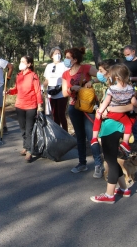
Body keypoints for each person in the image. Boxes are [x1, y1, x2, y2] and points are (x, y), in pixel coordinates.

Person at [90, 59, 134, 204]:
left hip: (111, 127)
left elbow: (130, 107)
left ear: (113, 75)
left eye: (103, 72)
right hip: (115, 125)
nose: (101, 75)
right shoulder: (128, 88)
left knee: (111, 161)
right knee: (112, 159)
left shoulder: (113, 90)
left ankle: (109, 195)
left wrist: (106, 111)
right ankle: (124, 188)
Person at [61, 47, 103, 178]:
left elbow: (104, 76)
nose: (66, 60)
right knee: (79, 136)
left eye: (68, 57)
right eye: (66, 57)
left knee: (92, 136)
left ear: (75, 59)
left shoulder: (86, 68)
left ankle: (98, 165)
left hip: (88, 107)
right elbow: (63, 93)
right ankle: (82, 163)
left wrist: (91, 81)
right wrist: (72, 88)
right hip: (74, 106)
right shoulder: (66, 74)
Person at [91, 64, 137, 154]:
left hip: (111, 113)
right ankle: (125, 143)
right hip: (121, 114)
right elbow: (133, 102)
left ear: (116, 77)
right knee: (128, 125)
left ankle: (94, 138)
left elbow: (106, 101)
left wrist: (100, 111)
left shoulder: (111, 89)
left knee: (97, 119)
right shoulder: (131, 89)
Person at [7, 55, 44, 162]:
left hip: (31, 106)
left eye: (23, 62)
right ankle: (25, 146)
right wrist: (9, 91)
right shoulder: (18, 75)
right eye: (20, 61)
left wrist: (39, 105)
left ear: (29, 64)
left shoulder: (33, 76)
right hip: (19, 105)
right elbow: (16, 89)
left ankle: (29, 150)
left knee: (29, 129)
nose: (21, 63)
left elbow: (38, 92)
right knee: (23, 128)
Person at [43, 47, 69, 131]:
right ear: (51, 56)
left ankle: (65, 132)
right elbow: (47, 80)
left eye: (59, 53)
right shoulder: (49, 66)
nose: (58, 55)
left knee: (61, 114)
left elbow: (68, 78)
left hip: (62, 92)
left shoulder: (64, 65)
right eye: (55, 54)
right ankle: (57, 132)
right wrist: (42, 87)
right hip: (51, 93)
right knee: (54, 114)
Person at [123, 45, 137, 141]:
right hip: (125, 90)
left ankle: (136, 137)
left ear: (133, 51)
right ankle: (128, 136)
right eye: (125, 55)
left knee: (135, 115)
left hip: (136, 90)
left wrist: (131, 79)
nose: (127, 56)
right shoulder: (125, 63)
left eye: (128, 54)